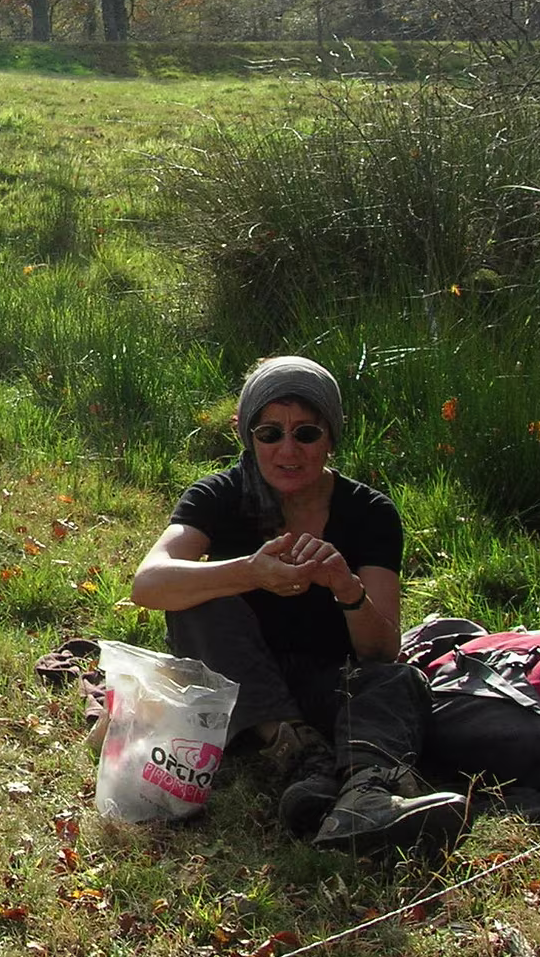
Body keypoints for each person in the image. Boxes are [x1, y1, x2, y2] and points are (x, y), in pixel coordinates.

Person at [129, 355, 465, 853]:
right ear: (248, 437)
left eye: (306, 434)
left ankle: (367, 794)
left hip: (328, 682)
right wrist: (249, 572)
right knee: (197, 596)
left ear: (330, 438)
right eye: (270, 434)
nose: (288, 450)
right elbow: (148, 583)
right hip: (240, 690)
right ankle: (296, 751)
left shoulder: (370, 512)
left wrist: (347, 589)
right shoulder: (218, 496)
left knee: (399, 680)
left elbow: (380, 651)